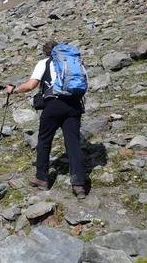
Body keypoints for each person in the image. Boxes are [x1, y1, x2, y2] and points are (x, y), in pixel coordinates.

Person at [6, 41, 87, 199]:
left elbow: (30, 85)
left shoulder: (44, 62)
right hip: (74, 104)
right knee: (73, 143)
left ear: (45, 53)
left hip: (54, 104)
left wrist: (13, 90)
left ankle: (42, 178)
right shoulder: (73, 62)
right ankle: (79, 185)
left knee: (44, 140)